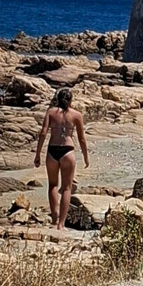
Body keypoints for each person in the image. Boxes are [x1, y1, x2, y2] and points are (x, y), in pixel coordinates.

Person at [33, 88, 89, 230]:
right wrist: (86, 157)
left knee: (52, 185)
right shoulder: (76, 115)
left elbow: (43, 133)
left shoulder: (51, 112)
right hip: (67, 151)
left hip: (53, 150)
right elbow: (82, 139)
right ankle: (61, 224)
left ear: (57, 99)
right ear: (71, 100)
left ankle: (54, 218)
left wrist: (38, 154)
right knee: (67, 188)